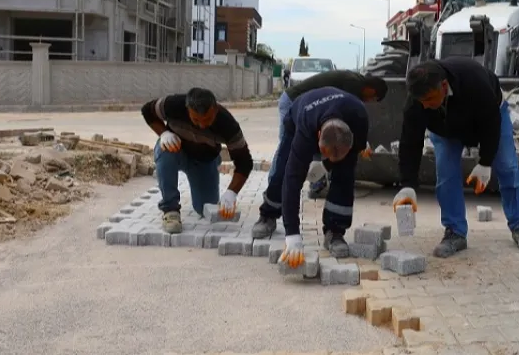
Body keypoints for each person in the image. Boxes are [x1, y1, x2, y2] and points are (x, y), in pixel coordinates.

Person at [392, 58, 519, 258]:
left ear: (444, 86)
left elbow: (491, 122)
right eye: (421, 102)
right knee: (446, 173)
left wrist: (485, 162)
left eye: (429, 99)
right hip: (445, 129)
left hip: (489, 116)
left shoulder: (474, 81)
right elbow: (410, 142)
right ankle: (455, 232)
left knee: (507, 166)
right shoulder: (417, 103)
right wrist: (407, 184)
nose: (425, 106)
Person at [253, 87, 369, 263]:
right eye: (326, 154)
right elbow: (293, 180)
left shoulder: (359, 117)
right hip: (300, 115)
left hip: (344, 115)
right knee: (284, 169)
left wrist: (326, 165)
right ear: (318, 136)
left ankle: (335, 231)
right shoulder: (305, 128)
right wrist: (292, 234)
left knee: (345, 175)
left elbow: (355, 149)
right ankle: (268, 214)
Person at [141, 87, 254, 234]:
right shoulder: (173, 104)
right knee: (164, 150)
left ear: (215, 110)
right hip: (177, 151)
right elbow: (147, 110)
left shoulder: (228, 125)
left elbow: (245, 161)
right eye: (196, 120)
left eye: (207, 120)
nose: (202, 125)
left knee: (204, 207)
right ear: (187, 109)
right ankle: (170, 209)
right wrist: (164, 133)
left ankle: (213, 164)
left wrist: (231, 192)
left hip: (203, 161)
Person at [268, 70, 387, 199]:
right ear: (372, 91)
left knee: (318, 140)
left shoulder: (356, 81)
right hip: (293, 100)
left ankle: (316, 185)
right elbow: (347, 119)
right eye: (373, 99)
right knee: (287, 147)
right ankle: (273, 188)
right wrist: (361, 143)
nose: (369, 102)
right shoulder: (354, 85)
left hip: (307, 105)